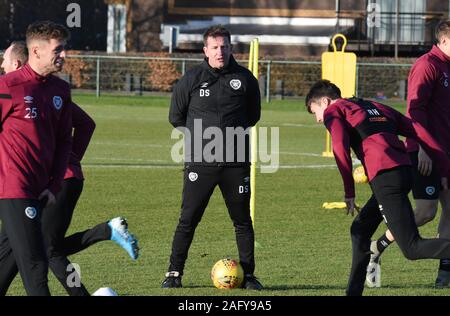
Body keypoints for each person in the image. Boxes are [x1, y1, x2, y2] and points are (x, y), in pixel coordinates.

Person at [0, 40, 139, 296]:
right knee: (18, 248)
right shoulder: (16, 91)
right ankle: (106, 231)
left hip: (55, 181)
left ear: (16, 63)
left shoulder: (42, 92)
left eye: (4, 61)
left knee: (44, 250)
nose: (2, 65)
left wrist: (65, 160)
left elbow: (85, 124)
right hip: (26, 186)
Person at [305, 79, 450, 296]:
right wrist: (445, 168)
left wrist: (349, 192)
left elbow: (339, 148)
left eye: (314, 111)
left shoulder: (334, 111)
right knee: (359, 230)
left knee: (412, 248)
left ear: (325, 101)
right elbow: (418, 130)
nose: (318, 119)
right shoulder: (374, 106)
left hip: (386, 179)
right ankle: (353, 292)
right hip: (403, 172)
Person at [163, 25, 262, 289]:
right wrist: (202, 140)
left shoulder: (246, 79)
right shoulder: (192, 78)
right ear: (205, 50)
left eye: (225, 47)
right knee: (188, 219)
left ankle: (249, 275)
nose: (220, 52)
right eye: (215, 47)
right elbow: (176, 116)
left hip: (236, 163)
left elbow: (253, 116)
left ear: (231, 48)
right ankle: (174, 273)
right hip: (201, 162)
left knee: (242, 220)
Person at [366, 20, 450, 288]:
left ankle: (444, 275)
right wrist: (423, 148)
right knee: (425, 212)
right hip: (425, 152)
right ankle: (377, 246)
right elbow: (414, 112)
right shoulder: (427, 65)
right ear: (444, 40)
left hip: (447, 152)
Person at [0, 21, 74, 296]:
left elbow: (65, 140)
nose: (64, 55)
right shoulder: (8, 85)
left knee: (6, 266)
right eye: (58, 49)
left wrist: (54, 186)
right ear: (36, 50)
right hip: (14, 190)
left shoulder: (61, 91)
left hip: (41, 191)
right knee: (35, 266)